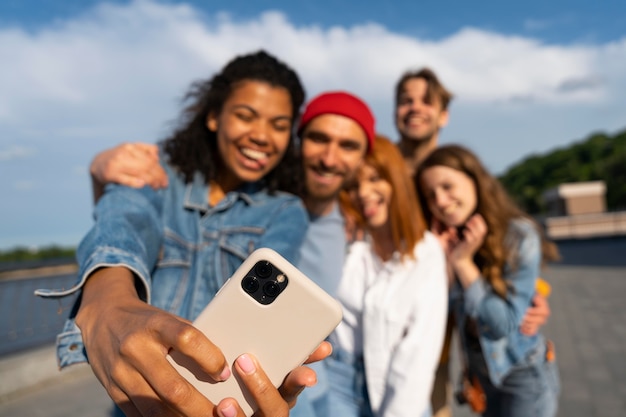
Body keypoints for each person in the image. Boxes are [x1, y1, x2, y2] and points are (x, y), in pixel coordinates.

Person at [37, 50, 331, 417]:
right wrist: (106, 301)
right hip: (139, 402)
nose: (261, 135)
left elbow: (263, 317)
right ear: (213, 117)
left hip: (227, 399)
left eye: (279, 124)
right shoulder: (158, 175)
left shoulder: (287, 210)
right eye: (245, 116)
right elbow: (123, 222)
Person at [394, 67, 552, 417]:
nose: (415, 108)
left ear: (443, 115)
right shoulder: (385, 174)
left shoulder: (458, 179)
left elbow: (499, 251)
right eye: (405, 101)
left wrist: (530, 294)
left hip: (450, 345)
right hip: (397, 335)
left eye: (426, 100)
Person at [416, 144, 561, 417]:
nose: (441, 201)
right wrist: (442, 261)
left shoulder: (518, 236)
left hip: (522, 373)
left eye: (448, 187)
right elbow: (437, 310)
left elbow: (502, 325)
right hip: (483, 376)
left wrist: (463, 263)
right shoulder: (450, 239)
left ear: (474, 180)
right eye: (431, 195)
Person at [327, 135, 448, 417]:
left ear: (395, 180)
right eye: (353, 186)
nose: (364, 193)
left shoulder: (426, 252)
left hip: (399, 382)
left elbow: (420, 347)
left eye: (375, 179)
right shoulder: (346, 246)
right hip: (337, 376)